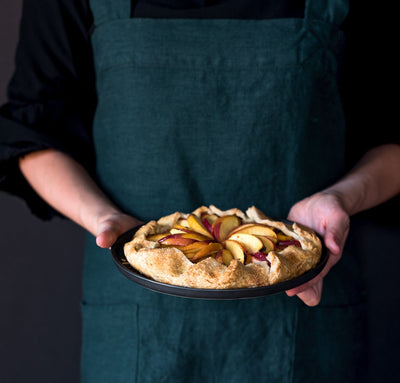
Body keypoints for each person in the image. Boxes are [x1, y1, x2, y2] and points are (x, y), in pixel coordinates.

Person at [1, 0, 399, 382]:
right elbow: (33, 127)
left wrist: (342, 198)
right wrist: (101, 218)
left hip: (307, 321)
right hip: (137, 326)